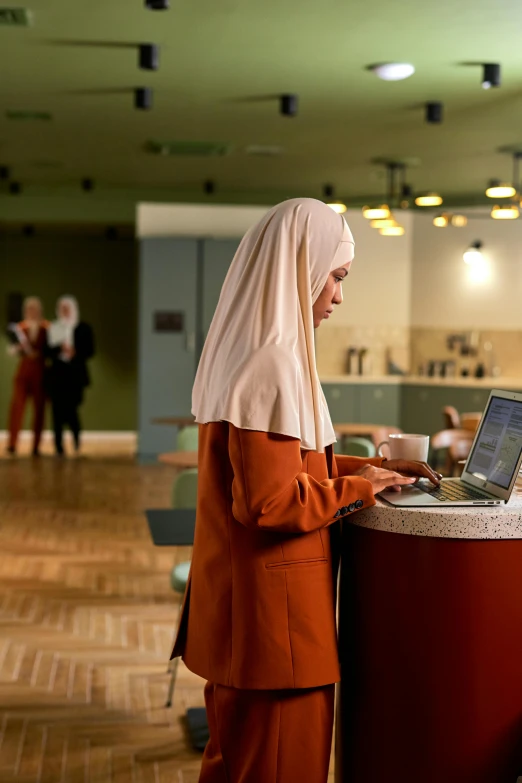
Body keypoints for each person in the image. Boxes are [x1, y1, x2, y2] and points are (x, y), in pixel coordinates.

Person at [170, 199, 441, 783]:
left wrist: (371, 468)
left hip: (243, 623)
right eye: (337, 276)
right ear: (301, 265)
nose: (339, 296)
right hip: (278, 635)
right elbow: (268, 503)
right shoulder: (273, 363)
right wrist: (361, 488)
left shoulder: (251, 351)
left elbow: (288, 468)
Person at [47, 296, 95, 456]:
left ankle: (76, 440)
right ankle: (58, 446)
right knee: (56, 413)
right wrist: (59, 350)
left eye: (67, 308)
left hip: (75, 376)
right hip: (57, 376)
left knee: (72, 411)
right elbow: (47, 352)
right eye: (62, 308)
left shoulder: (83, 328)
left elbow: (90, 350)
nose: (64, 312)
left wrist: (75, 352)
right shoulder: (54, 328)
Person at [6, 296, 48, 456]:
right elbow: (11, 350)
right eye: (29, 309)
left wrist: (40, 353)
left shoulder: (46, 327)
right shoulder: (19, 328)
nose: (32, 312)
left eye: (35, 309)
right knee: (17, 408)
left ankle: (36, 446)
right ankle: (12, 443)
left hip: (41, 373)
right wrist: (18, 348)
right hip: (23, 373)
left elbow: (52, 349)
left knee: (40, 410)